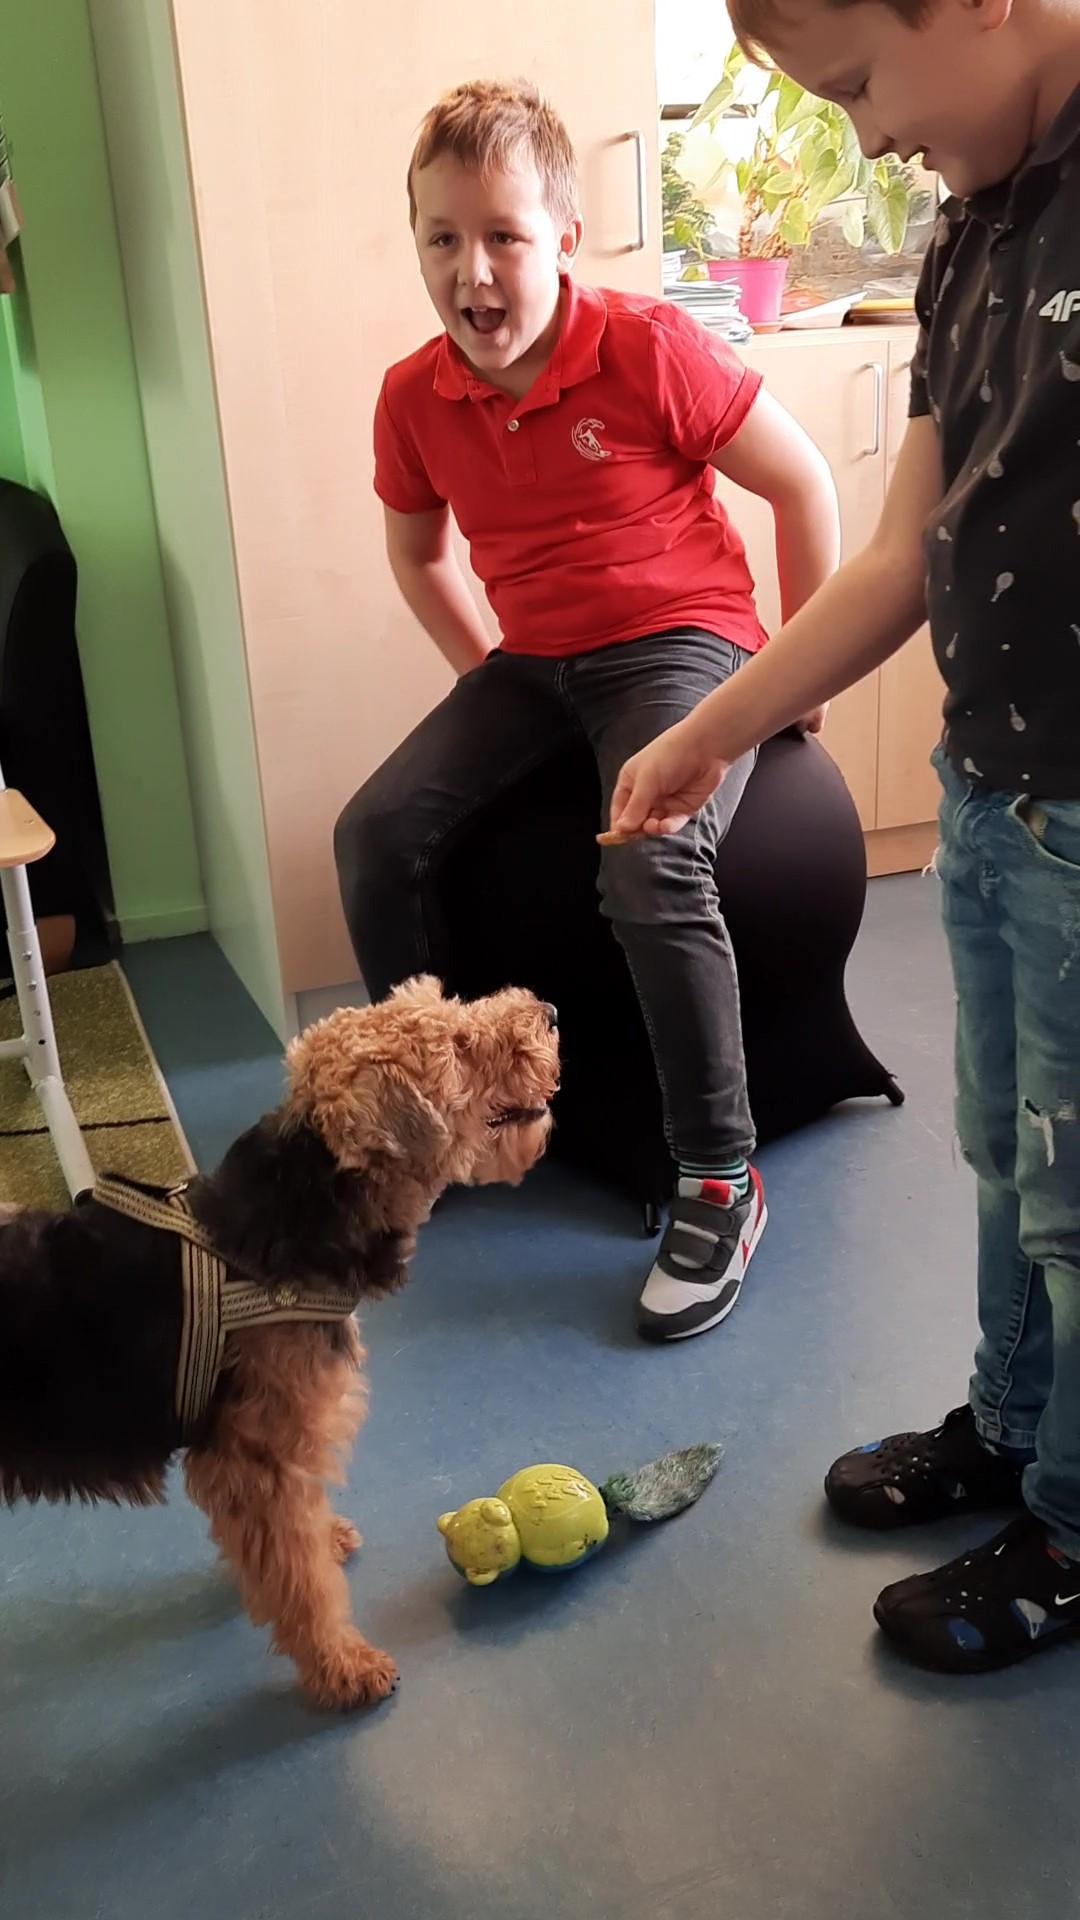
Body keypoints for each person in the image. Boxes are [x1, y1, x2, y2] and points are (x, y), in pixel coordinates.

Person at [607, 0, 1080, 1666]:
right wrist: (710, 728)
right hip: (992, 794)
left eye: (865, 83)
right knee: (1007, 1159)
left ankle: (1075, 1529)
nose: (867, 135)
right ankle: (1012, 1431)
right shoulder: (971, 233)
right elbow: (896, 558)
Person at [334, 79, 840, 1340]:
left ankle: (720, 1179)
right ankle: (436, 1123)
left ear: (563, 238)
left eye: (504, 235)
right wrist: (486, 679)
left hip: (683, 641)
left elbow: (803, 484)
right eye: (443, 238)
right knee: (374, 832)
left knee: (648, 859)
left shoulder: (648, 347)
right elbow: (419, 555)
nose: (473, 270)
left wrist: (799, 679)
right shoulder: (413, 396)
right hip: (536, 660)